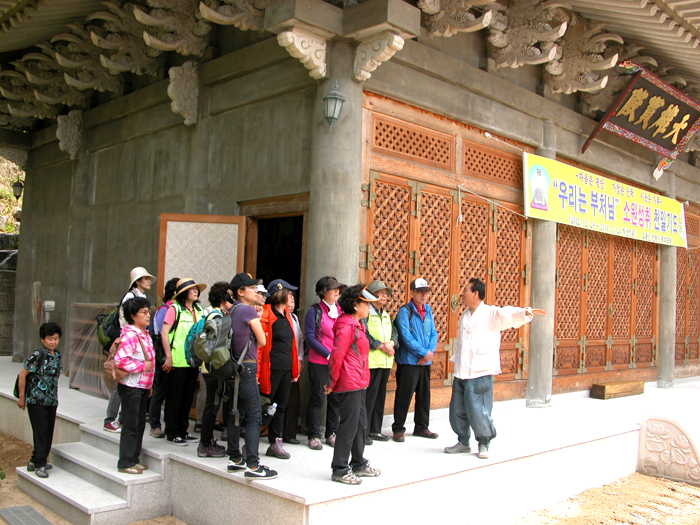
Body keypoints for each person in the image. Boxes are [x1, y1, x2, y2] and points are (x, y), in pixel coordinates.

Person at [445, 278, 546, 459]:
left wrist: (525, 313)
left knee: (479, 411)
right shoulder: (464, 316)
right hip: (462, 371)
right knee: (457, 409)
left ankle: (484, 442)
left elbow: (508, 314)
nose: (462, 293)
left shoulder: (490, 314)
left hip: (480, 371)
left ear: (475, 294)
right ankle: (463, 441)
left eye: (466, 290)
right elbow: (461, 344)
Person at [328, 285, 381, 485]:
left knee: (360, 425)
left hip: (358, 381)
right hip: (349, 382)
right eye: (366, 304)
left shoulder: (356, 324)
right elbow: (337, 355)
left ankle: (358, 463)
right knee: (349, 426)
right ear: (355, 305)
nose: (369, 307)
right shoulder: (347, 326)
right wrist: (332, 381)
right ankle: (340, 468)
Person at [226, 273, 277, 480]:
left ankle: (235, 458)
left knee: (234, 412)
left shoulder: (232, 310)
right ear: (240, 291)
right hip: (247, 367)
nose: (256, 291)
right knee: (254, 415)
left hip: (232, 367)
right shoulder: (247, 310)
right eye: (252, 288)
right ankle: (253, 465)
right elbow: (262, 340)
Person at [104, 266, 156, 433]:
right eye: (145, 278)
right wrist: (128, 337)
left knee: (128, 381)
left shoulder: (141, 297)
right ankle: (110, 419)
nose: (149, 281)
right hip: (130, 342)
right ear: (137, 281)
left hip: (138, 342)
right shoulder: (130, 297)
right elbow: (124, 319)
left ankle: (121, 418)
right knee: (123, 379)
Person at [392, 277, 439, 442]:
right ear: (412, 293)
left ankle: (422, 427)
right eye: (420, 292)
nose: (424, 295)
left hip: (425, 361)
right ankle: (398, 428)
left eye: (426, 292)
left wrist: (429, 353)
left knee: (424, 396)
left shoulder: (429, 310)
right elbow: (405, 336)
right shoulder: (405, 311)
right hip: (409, 361)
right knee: (404, 395)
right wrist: (423, 352)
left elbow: (433, 333)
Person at [259, 279, 300, 460]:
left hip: (286, 368)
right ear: (280, 294)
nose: (292, 296)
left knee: (280, 406)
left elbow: (293, 346)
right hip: (271, 368)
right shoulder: (266, 313)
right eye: (289, 293)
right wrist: (258, 372)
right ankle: (249, 442)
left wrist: (295, 370)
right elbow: (260, 346)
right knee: (263, 405)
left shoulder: (288, 316)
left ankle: (276, 442)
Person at [161, 278, 206, 446]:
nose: (195, 291)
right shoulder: (175, 309)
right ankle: (172, 432)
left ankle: (183, 430)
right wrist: (168, 356)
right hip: (178, 359)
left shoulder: (200, 310)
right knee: (175, 397)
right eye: (191, 289)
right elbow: (164, 333)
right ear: (183, 293)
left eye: (196, 289)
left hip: (193, 361)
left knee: (188, 397)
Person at [114, 297, 155, 474]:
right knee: (131, 425)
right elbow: (121, 361)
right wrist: (142, 367)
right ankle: (125, 462)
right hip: (131, 386)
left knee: (138, 424)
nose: (148, 315)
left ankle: (134, 459)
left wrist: (149, 383)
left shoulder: (144, 334)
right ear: (133, 316)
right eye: (143, 312)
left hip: (142, 386)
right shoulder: (131, 335)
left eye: (148, 311)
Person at [17, 322, 63, 479]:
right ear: (42, 339)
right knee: (40, 432)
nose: (53, 342)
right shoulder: (37, 354)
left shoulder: (57, 355)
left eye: (56, 339)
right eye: (50, 339)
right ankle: (40, 464)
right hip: (36, 400)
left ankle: (34, 460)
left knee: (48, 432)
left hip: (51, 400)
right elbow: (22, 375)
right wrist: (22, 397)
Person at [305, 276, 346, 450]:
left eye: (338, 289)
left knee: (335, 399)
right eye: (333, 289)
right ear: (323, 292)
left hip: (337, 362)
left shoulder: (342, 310)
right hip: (319, 361)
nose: (337, 291)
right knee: (318, 398)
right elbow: (310, 338)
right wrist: (328, 354)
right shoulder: (314, 311)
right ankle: (313, 435)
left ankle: (332, 433)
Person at [196, 282, 231, 458]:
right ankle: (205, 444)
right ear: (223, 298)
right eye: (230, 296)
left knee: (213, 405)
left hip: (211, 367)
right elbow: (213, 346)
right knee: (212, 406)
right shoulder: (216, 317)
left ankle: (207, 442)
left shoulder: (217, 314)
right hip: (213, 368)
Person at [362, 280, 398, 443]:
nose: (385, 296)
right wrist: (381, 346)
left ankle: (375, 430)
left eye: (386, 294)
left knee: (380, 398)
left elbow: (395, 334)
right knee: (369, 398)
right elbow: (364, 333)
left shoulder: (386, 315)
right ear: (372, 295)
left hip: (385, 362)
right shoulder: (367, 312)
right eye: (381, 293)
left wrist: (392, 343)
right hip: (372, 362)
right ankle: (364, 431)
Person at [148, 277, 179, 438]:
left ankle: (170, 425)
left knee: (171, 392)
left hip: (175, 356)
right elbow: (163, 333)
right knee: (160, 390)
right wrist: (168, 356)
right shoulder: (165, 310)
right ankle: (154, 424)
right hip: (163, 355)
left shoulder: (177, 308)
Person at [282, 292, 304, 445]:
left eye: (293, 300)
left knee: (293, 401)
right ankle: (277, 433)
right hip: (282, 363)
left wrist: (300, 359)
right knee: (281, 400)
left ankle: (289, 433)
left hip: (294, 364)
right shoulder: (278, 317)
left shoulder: (294, 318)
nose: (292, 303)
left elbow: (300, 341)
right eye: (289, 300)